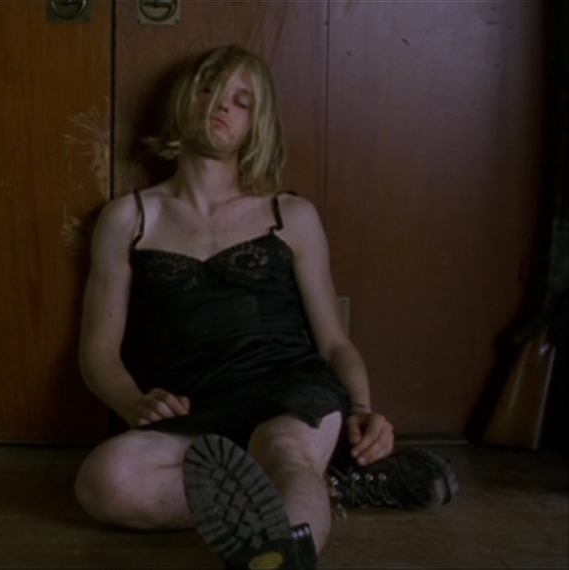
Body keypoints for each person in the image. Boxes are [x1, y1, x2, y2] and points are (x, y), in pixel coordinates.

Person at [73, 45, 456, 569]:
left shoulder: (290, 215)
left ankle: (280, 551)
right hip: (192, 408)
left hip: (288, 390)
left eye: (242, 100)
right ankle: (331, 487)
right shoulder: (128, 218)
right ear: (184, 100)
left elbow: (334, 342)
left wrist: (363, 411)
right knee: (104, 482)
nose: (221, 105)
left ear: (258, 124)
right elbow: (97, 349)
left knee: (281, 449)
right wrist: (132, 402)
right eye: (208, 89)